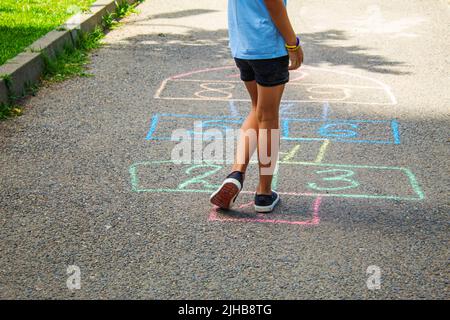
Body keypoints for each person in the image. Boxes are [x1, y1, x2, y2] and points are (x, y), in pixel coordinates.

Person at [210, 0, 303, 212]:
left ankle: (236, 174)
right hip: (267, 47)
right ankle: (264, 193)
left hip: (242, 47)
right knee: (268, 116)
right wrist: (292, 43)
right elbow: (274, 5)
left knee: (257, 109)